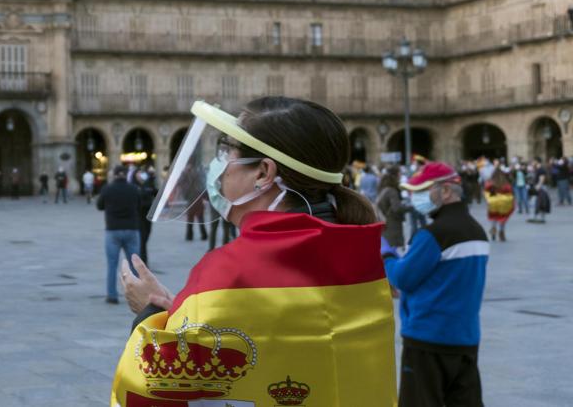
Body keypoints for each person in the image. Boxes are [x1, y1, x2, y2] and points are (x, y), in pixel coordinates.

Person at [113, 97, 395, 405]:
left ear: (263, 173)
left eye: (227, 151)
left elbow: (154, 383)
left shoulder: (229, 271)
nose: (218, 166)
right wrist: (181, 313)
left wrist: (150, 314)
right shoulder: (361, 253)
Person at [383, 162, 488, 406]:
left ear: (446, 191)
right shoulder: (477, 231)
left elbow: (402, 279)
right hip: (465, 337)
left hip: (427, 338)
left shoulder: (433, 234)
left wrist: (387, 257)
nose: (415, 197)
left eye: (422, 191)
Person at [97, 167, 141, 305]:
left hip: (113, 230)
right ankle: (138, 295)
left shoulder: (107, 189)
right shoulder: (133, 189)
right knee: (135, 265)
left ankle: (112, 295)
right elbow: (139, 205)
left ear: (114, 175)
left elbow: (99, 206)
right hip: (131, 229)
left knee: (112, 264)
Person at [375, 166, 407, 250]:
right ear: (395, 175)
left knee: (386, 246)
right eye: (400, 173)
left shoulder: (384, 188)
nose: (401, 175)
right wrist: (410, 207)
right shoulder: (392, 191)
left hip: (386, 222)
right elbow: (397, 208)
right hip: (393, 224)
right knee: (393, 249)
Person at [482, 169, 514, 241]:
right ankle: (501, 232)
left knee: (493, 217)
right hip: (503, 203)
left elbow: (486, 190)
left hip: (493, 203)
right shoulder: (505, 183)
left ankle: (493, 230)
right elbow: (509, 191)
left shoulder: (491, 182)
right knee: (503, 218)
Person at [136, 171, 157, 265]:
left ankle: (142, 259)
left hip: (147, 215)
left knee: (145, 237)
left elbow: (157, 193)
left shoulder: (148, 185)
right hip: (139, 216)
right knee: (142, 239)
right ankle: (143, 260)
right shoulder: (134, 186)